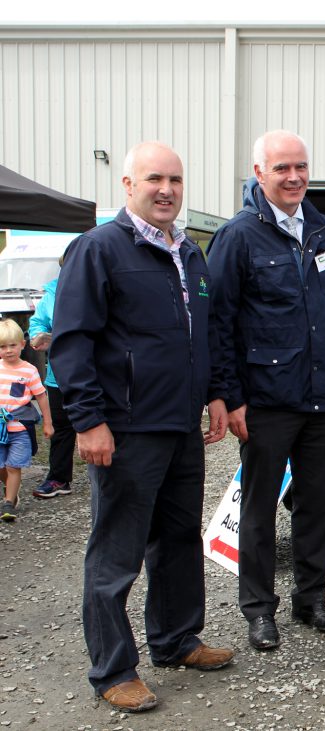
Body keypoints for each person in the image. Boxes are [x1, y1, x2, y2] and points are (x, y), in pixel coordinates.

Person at [49, 142, 233, 713]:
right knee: (117, 551)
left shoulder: (190, 253)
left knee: (177, 539)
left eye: (175, 179)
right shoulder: (99, 248)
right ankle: (112, 670)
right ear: (127, 185)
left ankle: (176, 640)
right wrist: (89, 421)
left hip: (180, 424)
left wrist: (215, 393)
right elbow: (72, 341)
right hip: (126, 428)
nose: (167, 189)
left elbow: (203, 333)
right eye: (154, 178)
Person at [207, 130, 325, 652]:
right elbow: (218, 323)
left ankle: (311, 599)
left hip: (321, 396)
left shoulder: (323, 230)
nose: (294, 177)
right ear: (259, 173)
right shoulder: (238, 237)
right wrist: (230, 397)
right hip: (266, 400)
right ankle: (258, 610)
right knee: (259, 509)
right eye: (281, 168)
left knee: (318, 503)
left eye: (301, 167)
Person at [28, 270, 77, 499]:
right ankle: (59, 478)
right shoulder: (52, 292)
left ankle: (117, 477)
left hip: (99, 372)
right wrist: (39, 335)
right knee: (61, 426)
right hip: (59, 374)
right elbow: (37, 322)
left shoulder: (100, 285)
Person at [0, 318, 53, 521]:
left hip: (20, 428)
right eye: (3, 347)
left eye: (12, 345)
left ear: (22, 344)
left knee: (13, 466)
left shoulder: (29, 370)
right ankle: (10, 488)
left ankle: (9, 502)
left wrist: (47, 423)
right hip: (0, 428)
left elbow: (41, 396)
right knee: (2, 466)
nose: (8, 351)